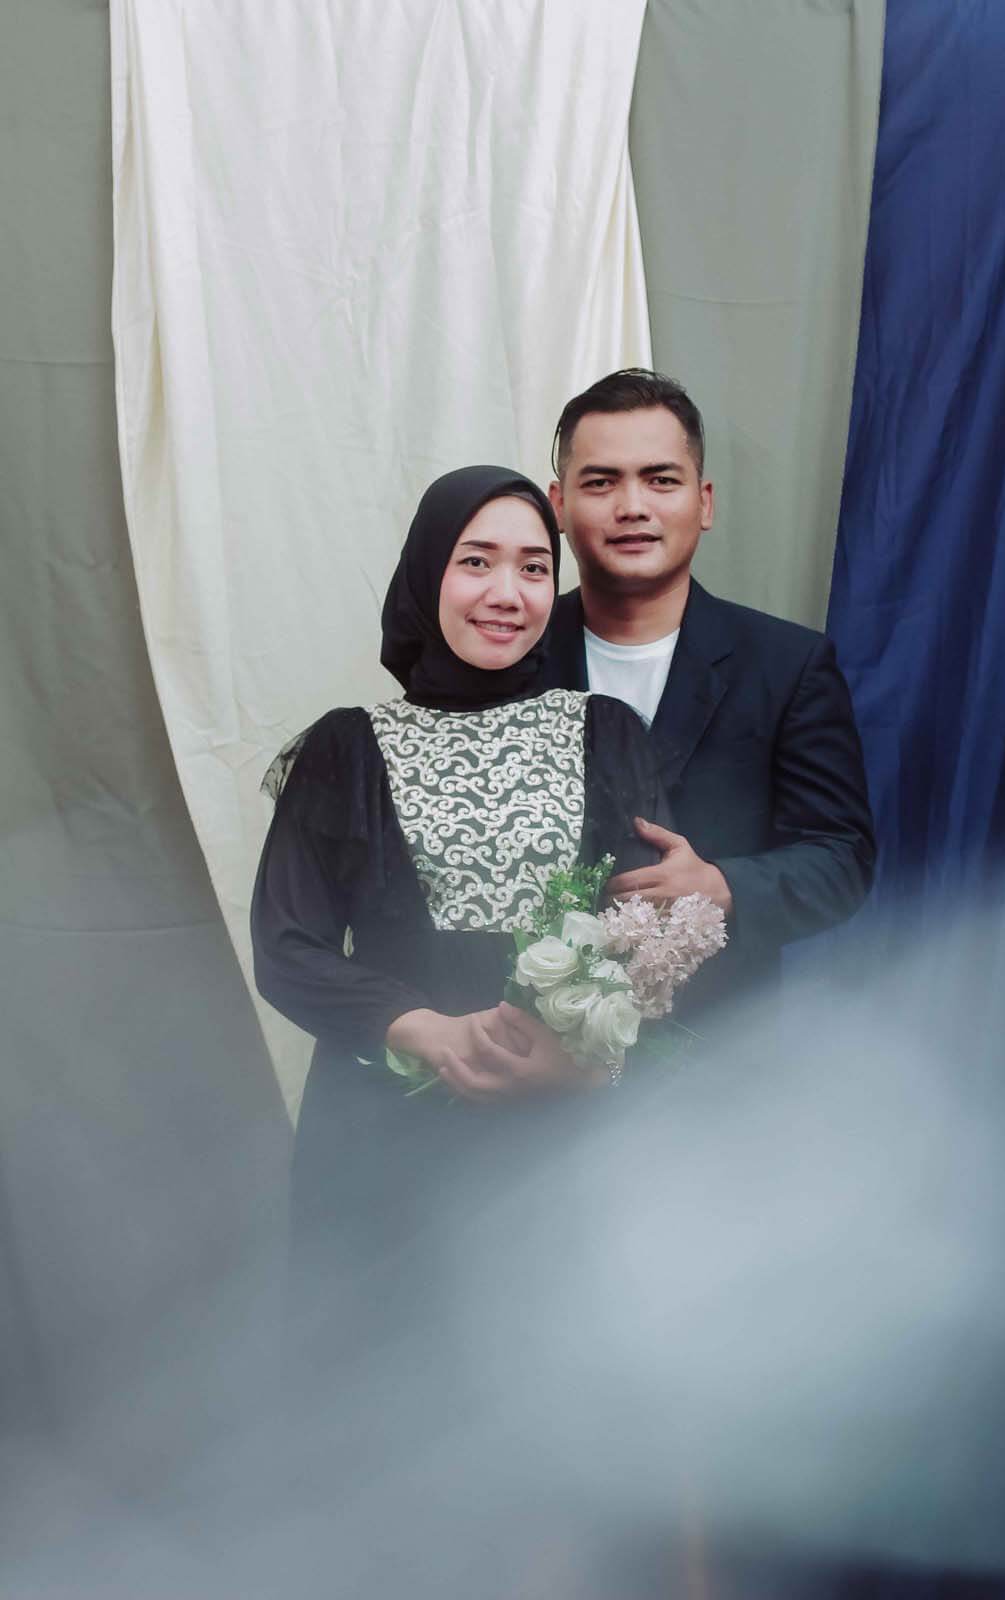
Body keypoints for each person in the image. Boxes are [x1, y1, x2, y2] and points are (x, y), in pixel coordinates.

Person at [249, 465, 684, 1592]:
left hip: (563, 1137)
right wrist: (423, 1032)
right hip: (384, 1142)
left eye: (534, 566)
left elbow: (653, 927)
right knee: (386, 1421)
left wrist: (591, 1056)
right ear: (424, 578)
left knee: (560, 1423)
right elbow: (287, 946)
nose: (507, 591)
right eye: (476, 561)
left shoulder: (604, 730)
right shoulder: (345, 746)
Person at [544, 368, 876, 1015]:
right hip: (526, 1039)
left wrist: (723, 886)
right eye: (600, 482)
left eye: (660, 479)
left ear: (704, 502)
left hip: (722, 1042)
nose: (632, 505)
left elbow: (843, 859)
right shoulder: (509, 661)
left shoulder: (789, 665)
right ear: (558, 505)